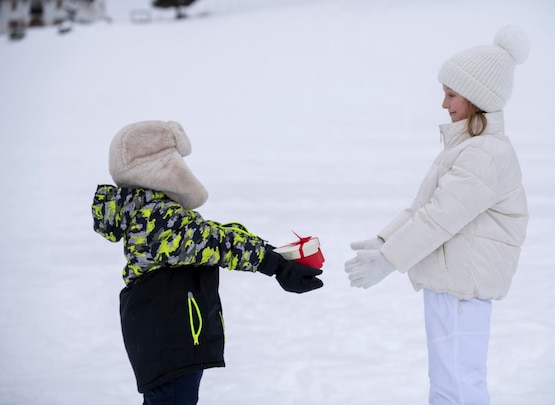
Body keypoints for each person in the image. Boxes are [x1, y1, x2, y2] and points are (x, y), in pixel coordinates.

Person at [344, 25, 530, 404]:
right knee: (452, 380)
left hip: (462, 284)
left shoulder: (483, 154)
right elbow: (424, 208)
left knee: (457, 383)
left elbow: (439, 219)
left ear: (477, 99)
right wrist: (384, 241)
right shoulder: (469, 148)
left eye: (451, 95)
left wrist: (389, 260)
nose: (444, 104)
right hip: (455, 279)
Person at [91, 120, 324, 405]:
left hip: (162, 337)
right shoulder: (157, 217)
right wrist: (273, 264)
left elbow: (214, 234)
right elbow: (212, 242)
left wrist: (269, 252)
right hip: (169, 338)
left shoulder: (150, 211)